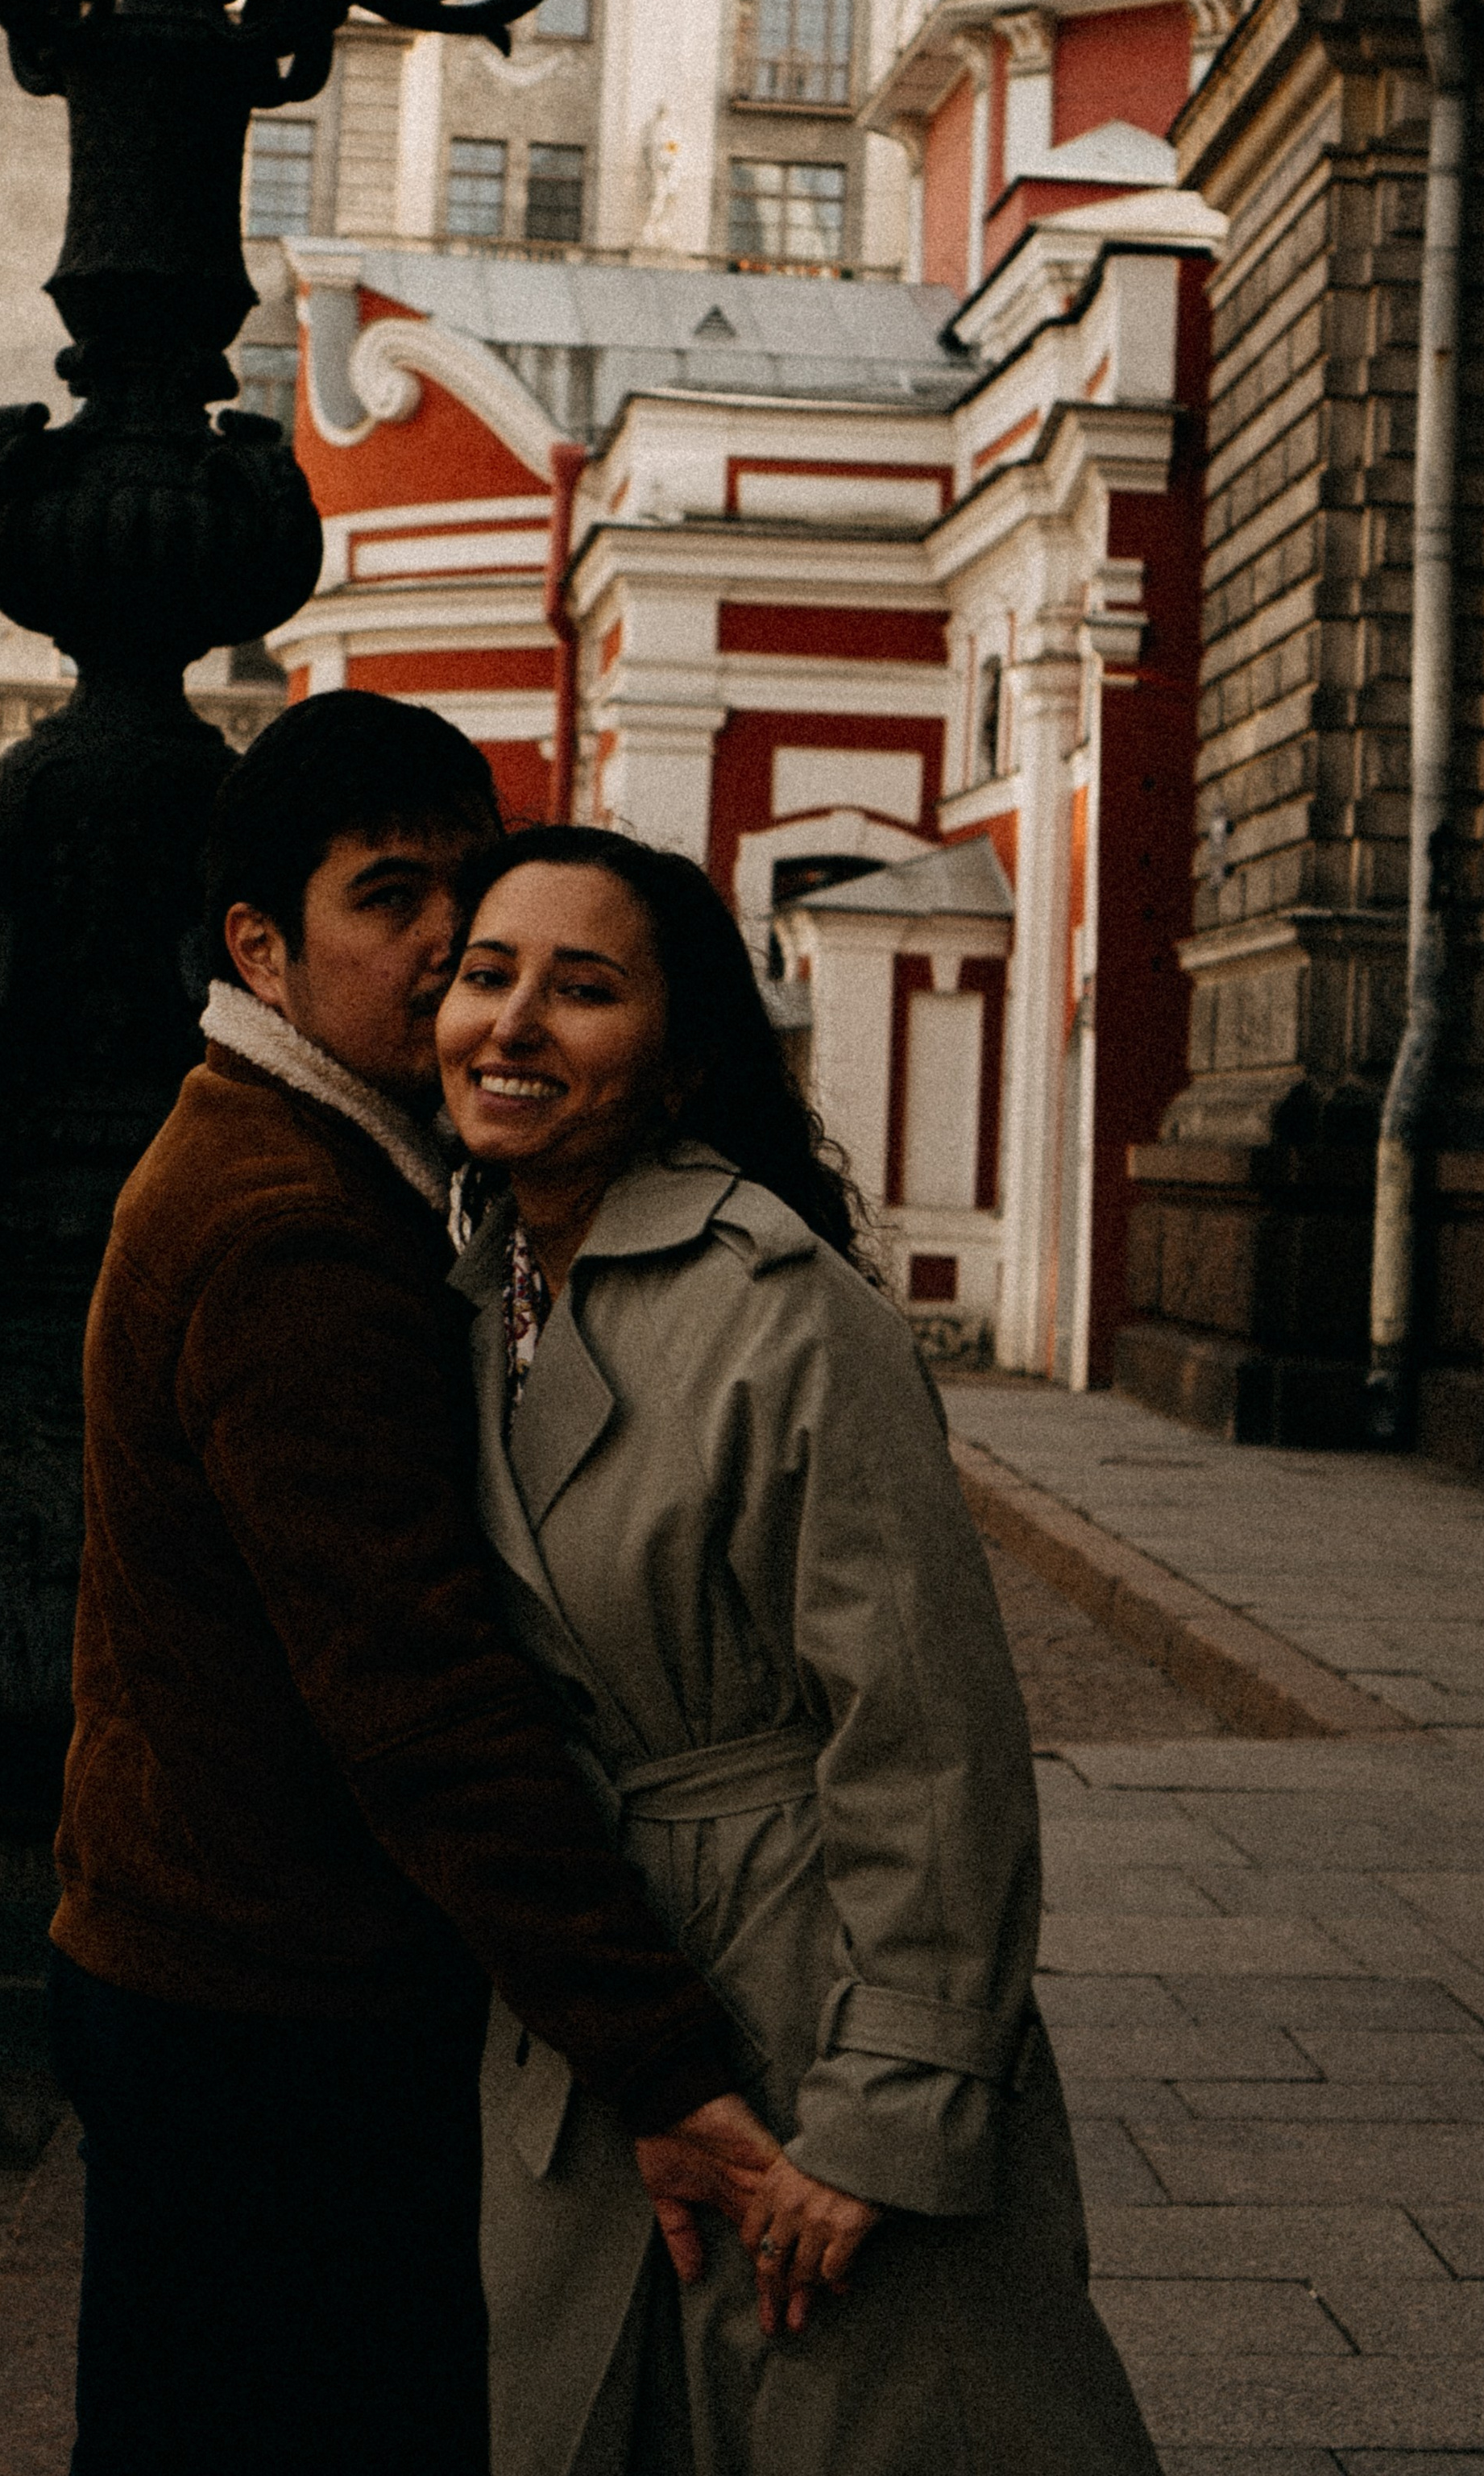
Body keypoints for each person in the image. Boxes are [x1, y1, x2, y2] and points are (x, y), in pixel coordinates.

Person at [49, 699, 775, 2476]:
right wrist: (662, 2059)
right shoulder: (290, 1229)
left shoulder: (319, 1163)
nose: (449, 941)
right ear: (262, 951)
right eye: (388, 896)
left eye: (467, 881)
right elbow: (418, 1698)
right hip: (272, 2020)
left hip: (205, 1968)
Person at [438, 826, 1166, 2476]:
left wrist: (894, 2104)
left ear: (679, 1055)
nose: (514, 1025)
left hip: (802, 1984)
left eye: (583, 989)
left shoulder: (783, 1307)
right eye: (486, 977)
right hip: (594, 2028)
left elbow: (926, 1738)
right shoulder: (467, 1298)